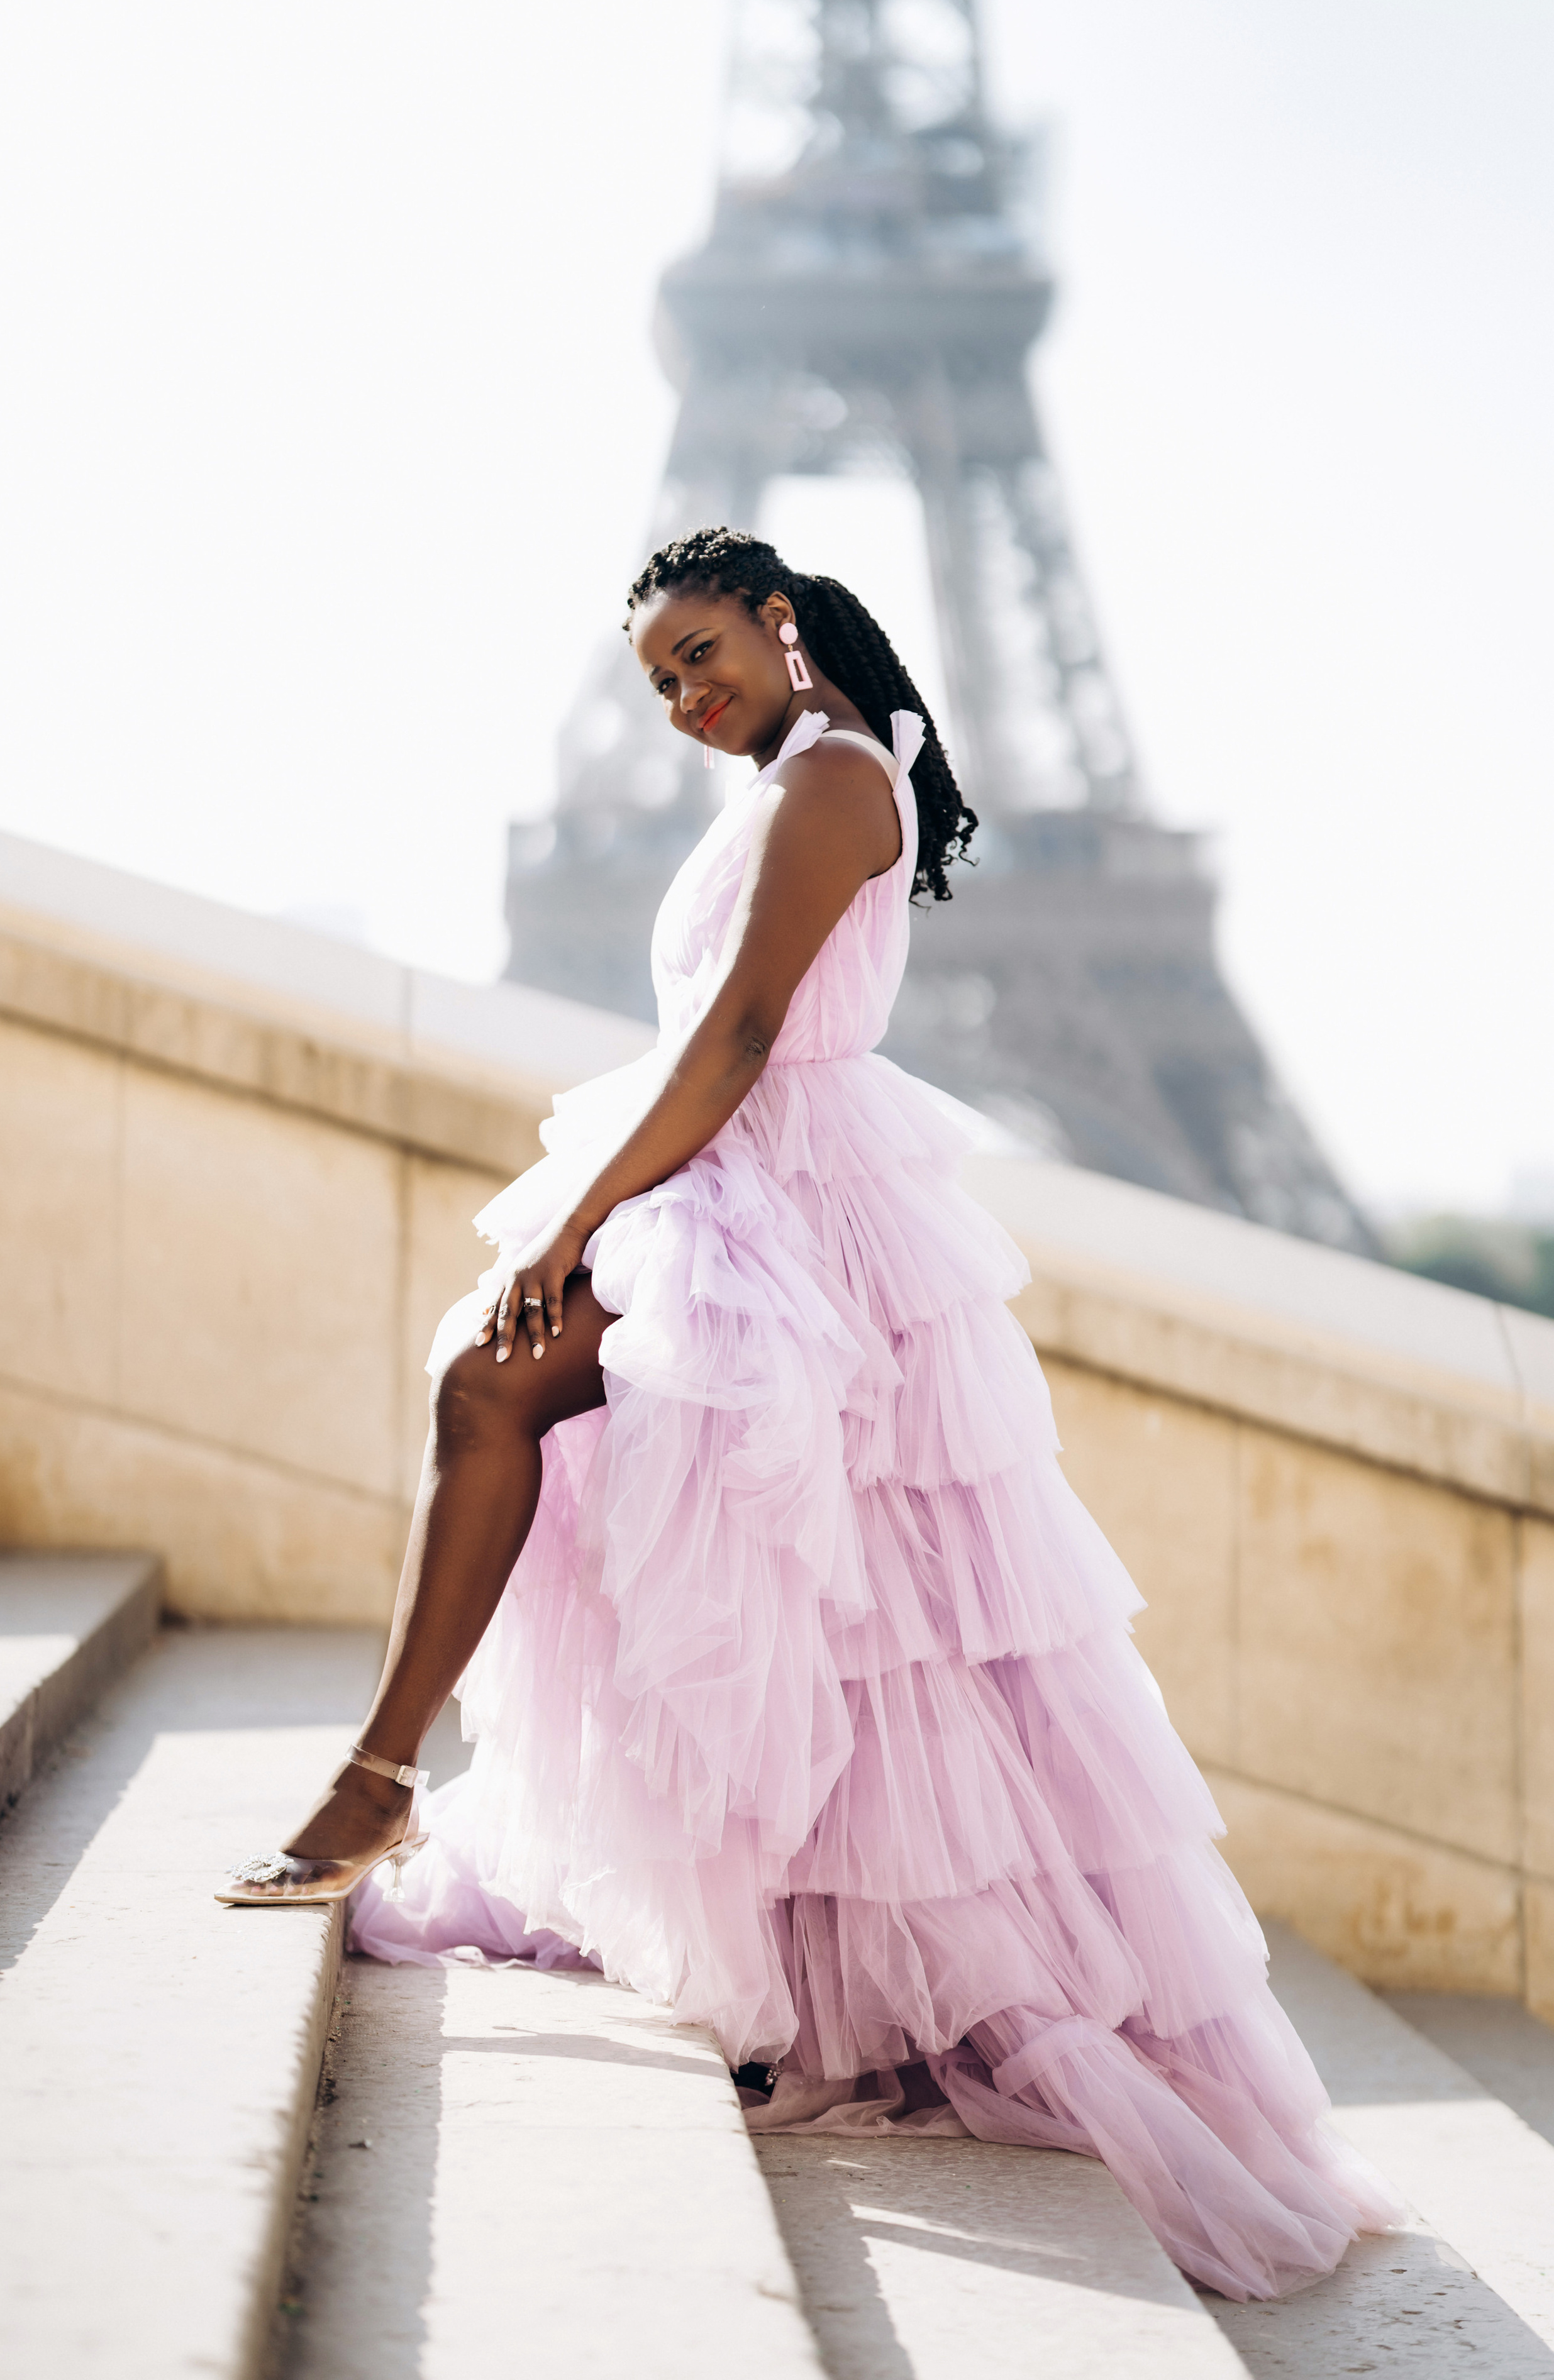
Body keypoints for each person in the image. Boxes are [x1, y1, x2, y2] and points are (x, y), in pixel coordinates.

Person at [218, 526, 1397, 2299]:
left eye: (700, 656)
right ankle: (443, 1806)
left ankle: (379, 1782)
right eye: (656, 683)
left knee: (501, 1393)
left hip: (776, 1195)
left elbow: (748, 1029)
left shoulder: (836, 776)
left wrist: (575, 1214)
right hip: (755, 1188)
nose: (682, 702)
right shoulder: (809, 768)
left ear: (781, 623)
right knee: (832, 1598)